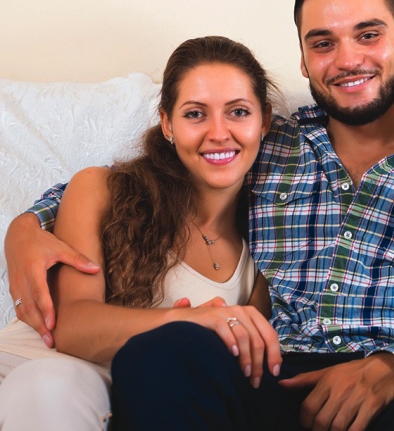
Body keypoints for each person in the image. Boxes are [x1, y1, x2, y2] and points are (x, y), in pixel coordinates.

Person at [4, 0, 394, 431]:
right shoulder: (271, 140)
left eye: (368, 34)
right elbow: (149, 178)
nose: (347, 60)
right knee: (164, 352)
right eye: (323, 43)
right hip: (273, 379)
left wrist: (393, 365)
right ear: (303, 60)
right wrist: (28, 222)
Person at [0, 36, 282, 430]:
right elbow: (72, 326)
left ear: (264, 121)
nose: (219, 133)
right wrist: (192, 321)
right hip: (33, 376)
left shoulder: (263, 258)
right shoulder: (101, 189)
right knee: (54, 385)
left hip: (126, 410)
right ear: (167, 123)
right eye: (195, 114)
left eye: (238, 111)